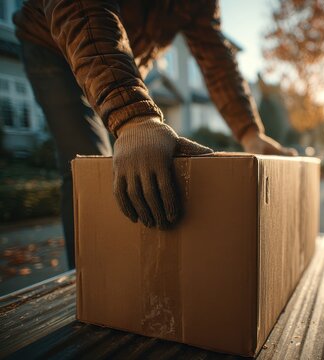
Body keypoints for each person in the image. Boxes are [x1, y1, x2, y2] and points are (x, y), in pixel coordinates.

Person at [13, 0, 295, 269]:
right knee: (87, 168)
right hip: (52, 41)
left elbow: (215, 55)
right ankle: (89, 285)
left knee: (127, 164)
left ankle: (126, 272)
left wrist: (249, 132)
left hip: (121, 57)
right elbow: (83, 11)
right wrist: (134, 118)